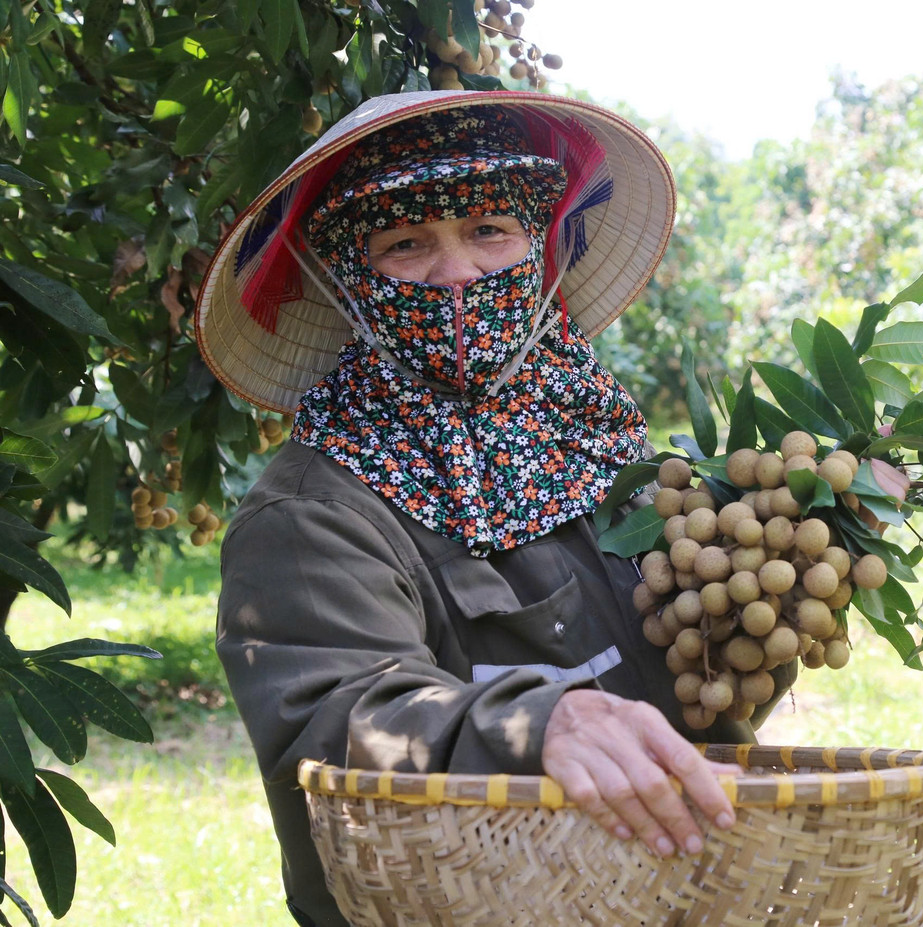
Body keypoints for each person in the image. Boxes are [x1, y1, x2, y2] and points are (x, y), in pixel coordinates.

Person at [194, 91, 794, 927]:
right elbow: (342, 716)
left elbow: (700, 695)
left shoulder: (605, 448)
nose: (458, 275)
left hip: (681, 896)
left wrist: (782, 581)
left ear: (538, 245)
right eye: (405, 244)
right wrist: (539, 721)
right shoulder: (309, 514)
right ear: (348, 280)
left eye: (489, 231)